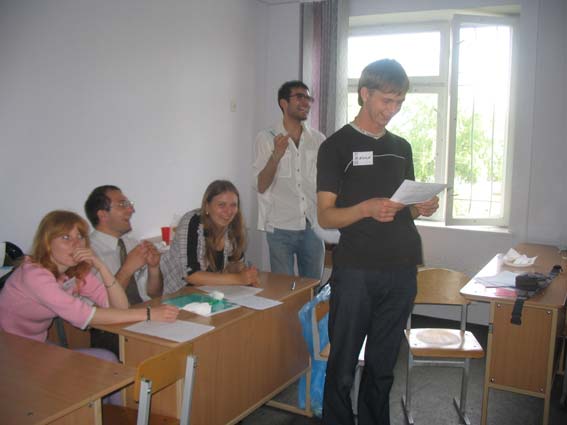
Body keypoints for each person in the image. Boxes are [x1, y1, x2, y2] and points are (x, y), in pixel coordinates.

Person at [317, 59, 439, 425]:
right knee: (342, 365)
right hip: (356, 271)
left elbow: (405, 209)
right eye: (387, 100)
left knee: (383, 367)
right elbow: (326, 216)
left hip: (401, 268)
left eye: (399, 102)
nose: (393, 109)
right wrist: (365, 209)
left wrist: (420, 207)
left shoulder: (402, 147)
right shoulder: (336, 146)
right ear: (364, 93)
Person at [0, 210, 179, 344]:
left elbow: (119, 306)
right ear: (47, 242)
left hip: (34, 344)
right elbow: (84, 315)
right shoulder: (34, 275)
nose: (76, 244)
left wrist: (101, 266)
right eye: (65, 237)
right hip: (9, 347)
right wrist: (148, 314)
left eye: (80, 237)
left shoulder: (75, 271)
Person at [253, 80, 326, 280]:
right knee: (284, 289)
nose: (306, 103)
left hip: (312, 225)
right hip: (279, 226)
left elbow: (325, 183)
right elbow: (261, 185)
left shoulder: (318, 140)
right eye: (300, 97)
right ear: (283, 103)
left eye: (309, 98)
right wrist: (275, 156)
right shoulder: (266, 138)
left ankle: (309, 305)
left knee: (312, 287)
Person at [161, 180, 258, 293]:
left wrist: (243, 271)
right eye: (221, 205)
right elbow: (191, 276)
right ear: (207, 207)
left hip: (211, 293)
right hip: (178, 294)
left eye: (233, 205)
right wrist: (238, 279)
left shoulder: (233, 225)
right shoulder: (192, 222)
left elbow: (232, 264)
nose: (229, 211)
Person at [85, 185, 163, 304]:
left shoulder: (132, 243)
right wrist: (127, 270)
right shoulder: (87, 253)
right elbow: (100, 307)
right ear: (103, 215)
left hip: (146, 310)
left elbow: (155, 294)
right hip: (115, 315)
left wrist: (154, 268)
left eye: (129, 204)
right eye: (122, 204)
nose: (131, 210)